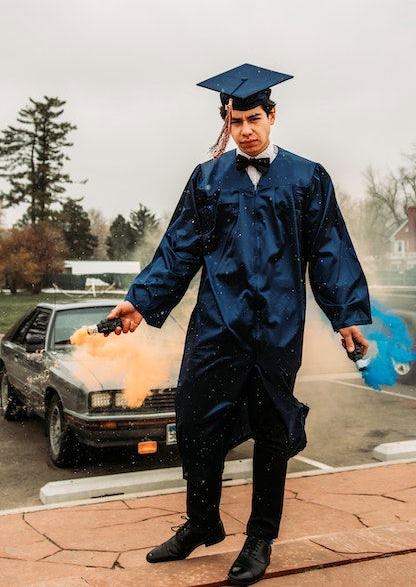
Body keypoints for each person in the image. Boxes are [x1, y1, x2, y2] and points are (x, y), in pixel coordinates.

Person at [108, 63, 371, 586]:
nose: (246, 129)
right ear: (225, 122)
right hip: (216, 325)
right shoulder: (207, 179)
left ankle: (260, 537)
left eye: (254, 118)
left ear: (273, 116)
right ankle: (203, 522)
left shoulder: (306, 177)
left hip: (276, 328)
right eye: (236, 121)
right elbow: (179, 250)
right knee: (197, 423)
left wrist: (348, 316)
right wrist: (139, 301)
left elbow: (329, 250)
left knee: (272, 431)